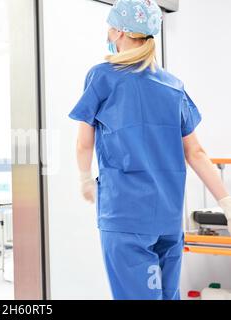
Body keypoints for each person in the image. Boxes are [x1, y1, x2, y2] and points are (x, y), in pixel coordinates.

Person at [69, 0, 231, 300]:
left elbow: (83, 142)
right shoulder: (172, 85)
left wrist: (83, 178)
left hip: (125, 214)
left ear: (118, 32)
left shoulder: (103, 76)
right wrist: (225, 201)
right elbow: (195, 152)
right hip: (167, 217)